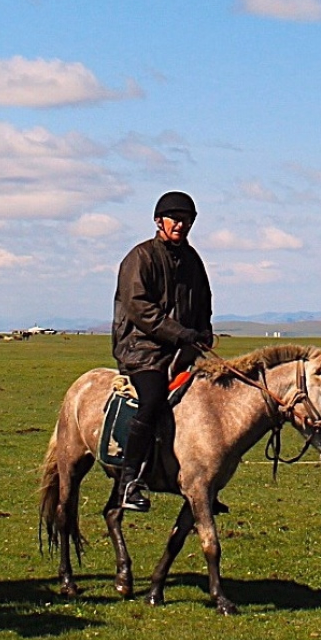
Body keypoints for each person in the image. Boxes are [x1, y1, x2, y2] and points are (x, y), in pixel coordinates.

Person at [111, 190, 214, 512]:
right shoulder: (140, 257)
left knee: (207, 401)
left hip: (180, 349)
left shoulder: (193, 260)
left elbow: (203, 301)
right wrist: (179, 332)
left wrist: (204, 333)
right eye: (175, 219)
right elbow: (139, 307)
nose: (181, 225)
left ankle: (200, 481)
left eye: (187, 220)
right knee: (153, 399)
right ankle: (129, 481)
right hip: (141, 349)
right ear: (159, 221)